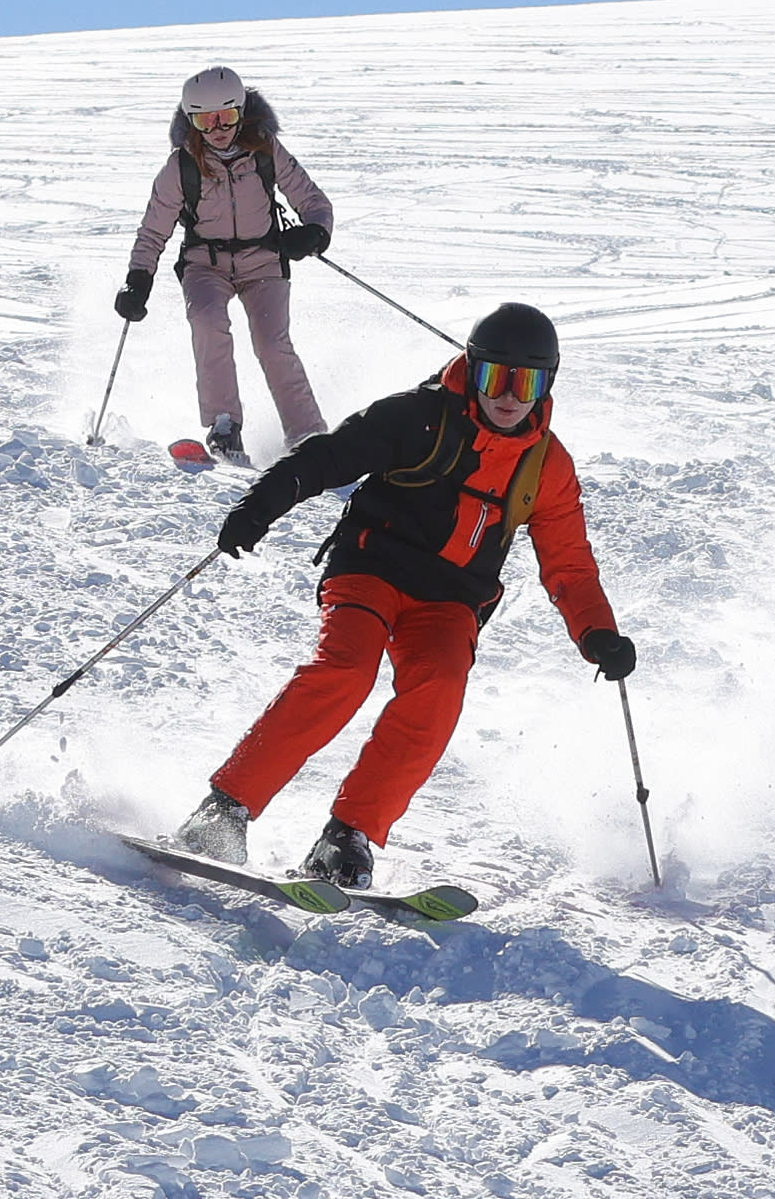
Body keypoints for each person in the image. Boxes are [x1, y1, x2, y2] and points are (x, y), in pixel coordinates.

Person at [173, 299, 629, 891]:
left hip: (451, 600)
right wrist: (261, 506)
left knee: (439, 689)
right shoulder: (421, 417)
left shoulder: (547, 466)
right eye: (496, 376)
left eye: (526, 382)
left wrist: (597, 633)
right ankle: (225, 809)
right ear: (474, 368)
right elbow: (328, 456)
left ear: (547, 384)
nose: (508, 396)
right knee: (345, 669)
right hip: (372, 567)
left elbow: (569, 564)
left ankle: (348, 836)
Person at [113, 64, 336, 458]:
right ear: (191, 122)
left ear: (241, 112)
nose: (217, 129)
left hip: (264, 261)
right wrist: (138, 279)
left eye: (226, 117)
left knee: (272, 343)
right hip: (206, 264)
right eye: (205, 120)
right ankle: (224, 426)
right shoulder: (181, 166)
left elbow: (312, 200)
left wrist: (315, 232)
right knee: (207, 322)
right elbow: (152, 231)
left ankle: (308, 435)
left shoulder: (265, 150)